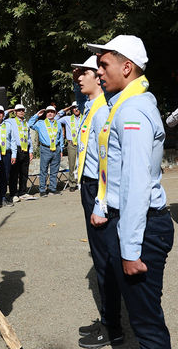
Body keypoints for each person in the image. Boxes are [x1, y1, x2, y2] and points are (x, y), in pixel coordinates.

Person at [86, 35, 173, 348]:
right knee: (143, 317)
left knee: (147, 326)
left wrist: (131, 249)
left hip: (143, 225)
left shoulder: (132, 110)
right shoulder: (125, 105)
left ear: (126, 67)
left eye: (104, 65)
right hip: (134, 222)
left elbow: (136, 185)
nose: (99, 72)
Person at [69, 55, 120, 347]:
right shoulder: (91, 108)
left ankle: (112, 327)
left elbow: (107, 163)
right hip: (88, 188)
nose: (79, 77)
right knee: (102, 259)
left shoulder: (102, 112)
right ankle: (107, 319)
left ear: (99, 77)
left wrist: (101, 201)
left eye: (86, 72)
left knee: (105, 262)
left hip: (97, 190)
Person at [29, 105, 64, 196]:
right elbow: (30, 124)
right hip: (45, 149)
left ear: (55, 113)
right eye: (48, 112)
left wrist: (61, 149)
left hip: (56, 149)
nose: (50, 113)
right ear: (46, 113)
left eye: (52, 112)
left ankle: (52, 189)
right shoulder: (40, 123)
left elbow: (60, 137)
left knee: (54, 170)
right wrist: (37, 115)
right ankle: (42, 190)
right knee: (43, 170)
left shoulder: (58, 123)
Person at [7, 104, 34, 202]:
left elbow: (29, 137)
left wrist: (31, 151)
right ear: (15, 111)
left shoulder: (25, 123)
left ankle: (23, 192)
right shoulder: (11, 121)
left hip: (25, 149)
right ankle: (13, 194)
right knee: (14, 173)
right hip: (16, 149)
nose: (21, 112)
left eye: (22, 110)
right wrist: (10, 110)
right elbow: (1, 117)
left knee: (24, 172)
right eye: (18, 110)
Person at [0, 105, 16, 207]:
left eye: (0, 112)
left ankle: (2, 197)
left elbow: (13, 140)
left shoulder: (8, 125)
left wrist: (14, 154)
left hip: (6, 154)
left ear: (4, 114)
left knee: (4, 177)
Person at [56, 101, 80, 191]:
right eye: (74, 107)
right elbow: (55, 118)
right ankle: (72, 184)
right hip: (72, 144)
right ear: (71, 109)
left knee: (85, 163)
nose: (76, 109)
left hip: (83, 144)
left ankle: (82, 182)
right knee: (72, 164)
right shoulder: (67, 118)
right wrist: (67, 108)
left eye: (77, 107)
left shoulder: (85, 117)